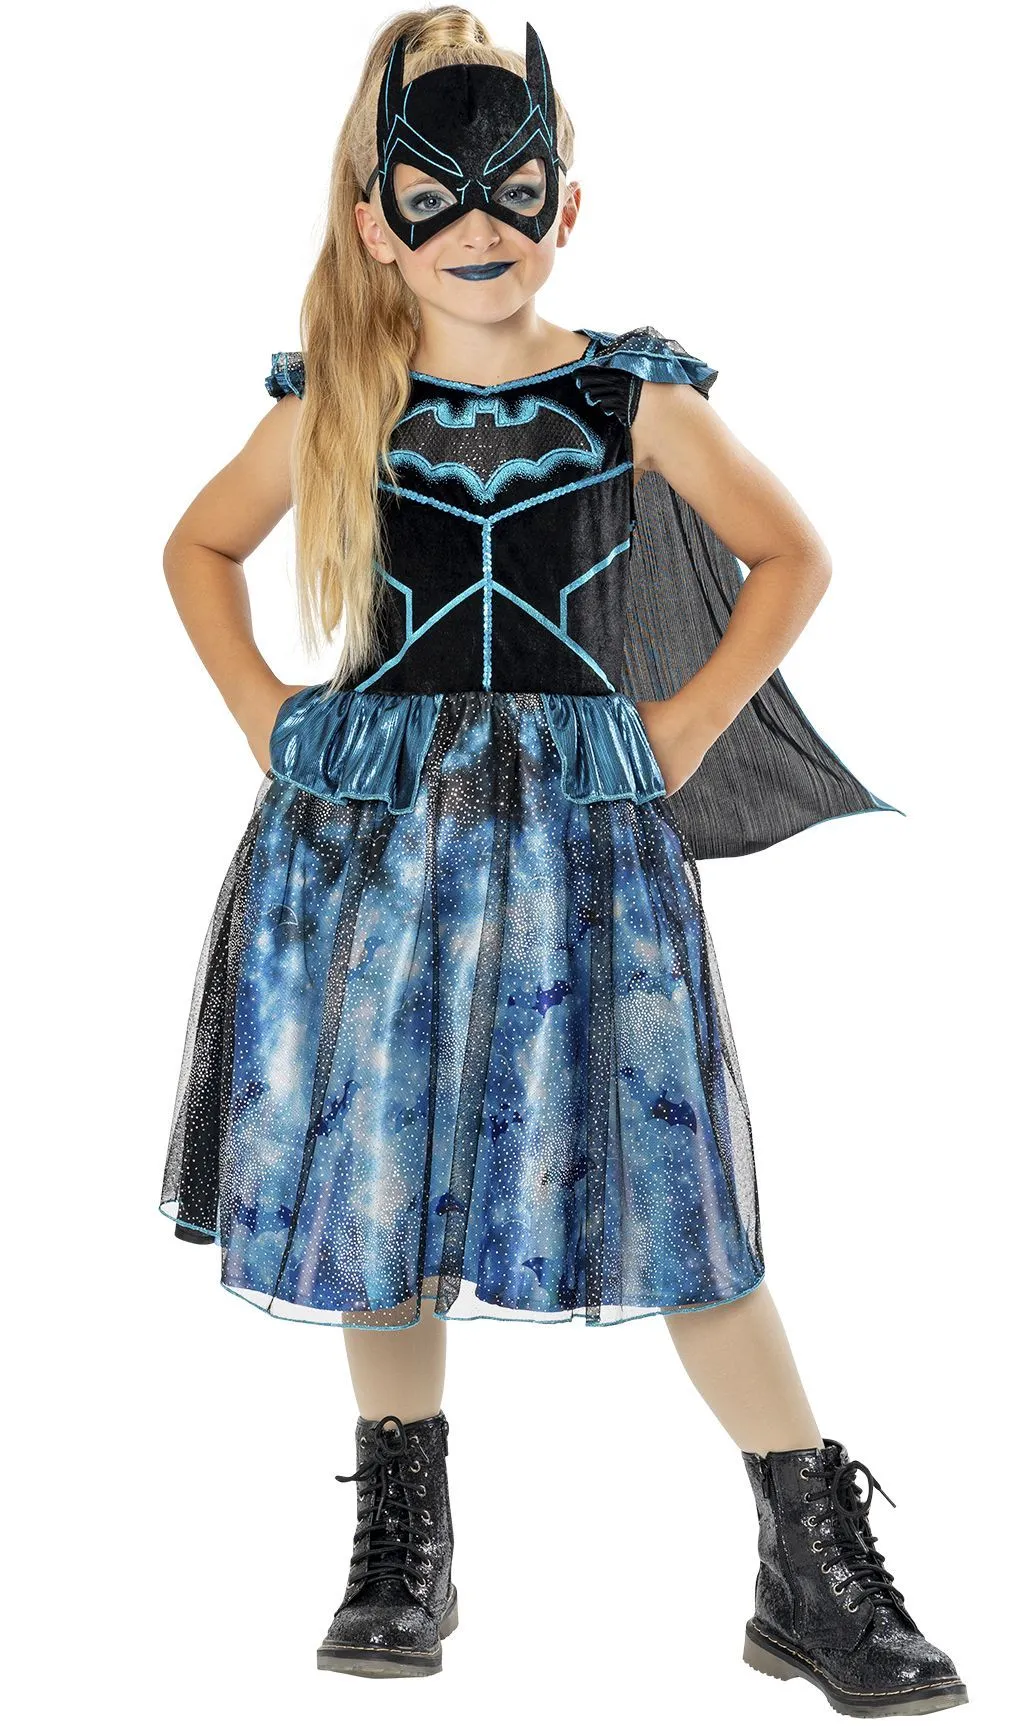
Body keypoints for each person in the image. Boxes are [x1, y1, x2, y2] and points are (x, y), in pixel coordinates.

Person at [158, 5, 967, 1712]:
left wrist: (684, 725)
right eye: (436, 201)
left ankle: (808, 1560)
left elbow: (791, 556)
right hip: (374, 837)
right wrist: (262, 711)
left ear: (566, 206)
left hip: (583, 840)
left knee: (677, 1179)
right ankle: (404, 1541)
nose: (480, 230)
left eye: (514, 196)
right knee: (382, 1173)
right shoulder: (344, 398)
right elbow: (198, 548)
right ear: (377, 221)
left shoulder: (629, 394)